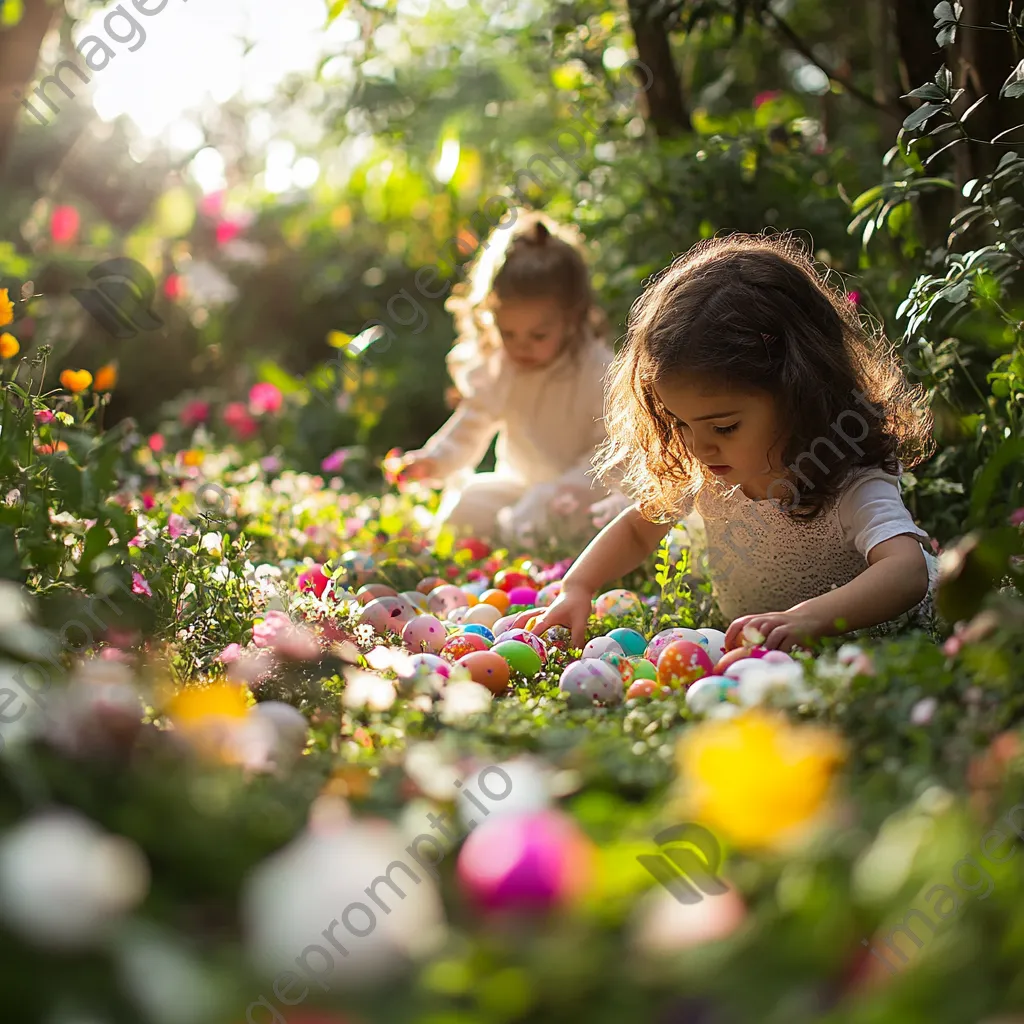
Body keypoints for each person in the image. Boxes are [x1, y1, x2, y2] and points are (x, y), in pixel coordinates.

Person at [522, 233, 937, 652]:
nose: (699, 448)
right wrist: (576, 586)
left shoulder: (849, 480)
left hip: (873, 650)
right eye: (679, 423)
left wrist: (806, 619)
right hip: (764, 656)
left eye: (723, 427)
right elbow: (636, 531)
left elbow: (905, 571)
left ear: (801, 395)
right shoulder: (709, 469)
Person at [397, 212, 616, 545]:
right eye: (508, 333)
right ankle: (505, 534)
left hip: (582, 493)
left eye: (538, 335)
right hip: (519, 484)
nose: (520, 346)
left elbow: (610, 451)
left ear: (571, 319)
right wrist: (435, 460)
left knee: (548, 514)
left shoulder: (595, 370)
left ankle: (519, 538)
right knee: (468, 502)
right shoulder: (503, 366)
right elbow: (472, 424)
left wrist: (563, 490)